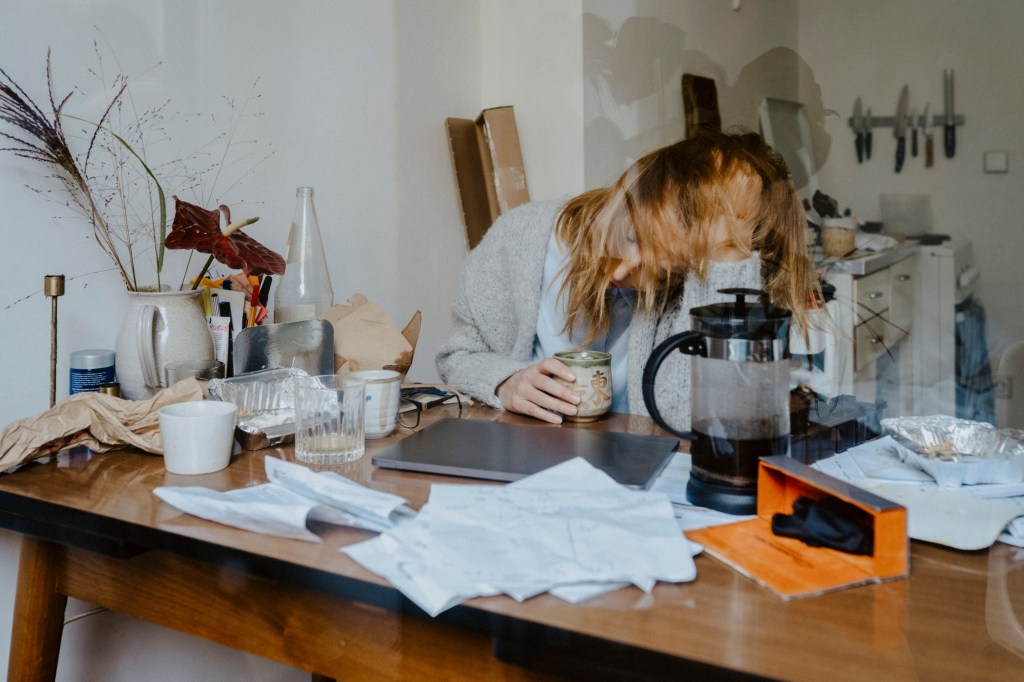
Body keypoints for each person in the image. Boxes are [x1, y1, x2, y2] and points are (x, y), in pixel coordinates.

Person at [436, 129, 818, 427]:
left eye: (663, 275)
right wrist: (506, 381)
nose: (622, 271)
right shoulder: (520, 237)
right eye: (631, 237)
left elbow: (691, 416)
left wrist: (725, 261)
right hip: (527, 456)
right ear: (625, 194)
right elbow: (459, 357)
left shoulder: (693, 286)